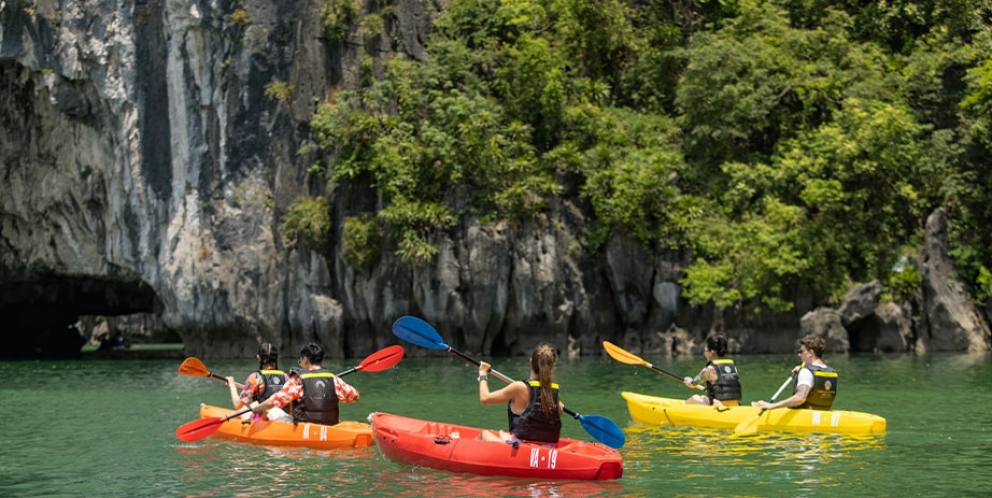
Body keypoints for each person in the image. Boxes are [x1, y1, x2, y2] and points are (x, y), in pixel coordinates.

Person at [247, 342, 360, 426]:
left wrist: (257, 407)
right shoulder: (334, 379)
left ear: (305, 360)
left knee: (271, 409)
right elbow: (354, 396)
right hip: (330, 425)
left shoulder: (297, 381)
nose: (300, 364)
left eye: (300, 360)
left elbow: (274, 401)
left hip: (303, 428)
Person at [476, 343, 564, 444]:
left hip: (520, 448)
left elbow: (485, 399)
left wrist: (483, 374)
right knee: (504, 436)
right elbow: (560, 412)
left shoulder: (519, 387)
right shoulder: (553, 391)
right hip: (546, 448)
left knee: (484, 434)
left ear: (530, 362)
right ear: (551, 366)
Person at [752, 335, 837, 411]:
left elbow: (800, 398)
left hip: (805, 414)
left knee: (759, 404)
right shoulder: (832, 372)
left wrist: (772, 406)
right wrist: (802, 368)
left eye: (801, 351)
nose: (799, 354)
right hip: (823, 412)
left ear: (810, 353)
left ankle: (761, 405)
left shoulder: (806, 372)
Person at [226, 343, 292, 423]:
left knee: (240, 410)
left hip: (260, 420)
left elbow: (237, 405)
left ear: (258, 358)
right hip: (281, 419)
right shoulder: (285, 377)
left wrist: (232, 385)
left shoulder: (255, 378)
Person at [682, 335, 741, 407]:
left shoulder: (709, 370)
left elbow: (692, 384)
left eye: (705, 351)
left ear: (712, 352)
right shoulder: (733, 367)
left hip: (718, 407)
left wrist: (688, 380)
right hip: (735, 405)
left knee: (694, 398)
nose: (704, 353)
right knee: (703, 397)